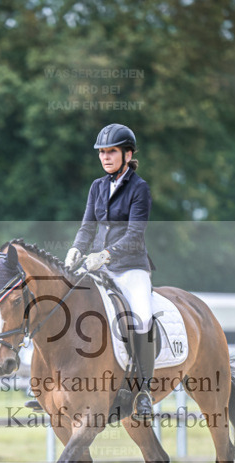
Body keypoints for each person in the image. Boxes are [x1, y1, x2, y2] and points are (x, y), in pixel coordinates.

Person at [65, 123, 156, 417]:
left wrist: (105, 254)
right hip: (97, 266)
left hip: (130, 268)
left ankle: (142, 389)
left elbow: (135, 236)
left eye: (112, 152)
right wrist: (76, 249)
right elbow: (87, 227)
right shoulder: (97, 186)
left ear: (127, 155)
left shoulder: (139, 188)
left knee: (141, 318)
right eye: (102, 152)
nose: (105, 157)